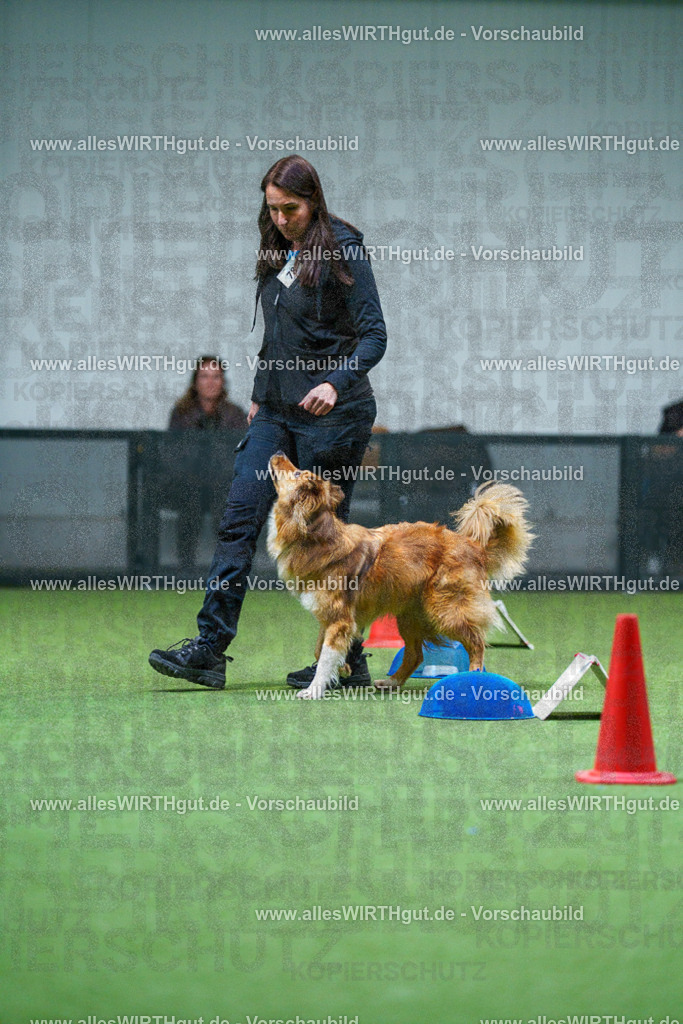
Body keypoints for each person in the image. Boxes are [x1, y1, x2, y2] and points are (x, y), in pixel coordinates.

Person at [149, 156, 387, 689]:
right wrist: (259, 396)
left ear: (314, 202)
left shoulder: (344, 248)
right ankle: (209, 648)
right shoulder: (277, 247)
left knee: (329, 541)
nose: (280, 219)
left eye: (291, 209)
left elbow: (375, 335)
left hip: (334, 415)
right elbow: (275, 335)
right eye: (272, 208)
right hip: (276, 413)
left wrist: (335, 382)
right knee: (239, 516)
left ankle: (346, 660)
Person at [162, 356, 248, 570]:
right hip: (188, 484)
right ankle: (186, 569)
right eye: (205, 376)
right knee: (190, 497)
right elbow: (172, 454)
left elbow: (242, 455)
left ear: (223, 381)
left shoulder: (235, 415)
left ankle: (230, 568)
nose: (210, 382)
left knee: (230, 499)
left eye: (216, 377)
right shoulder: (181, 414)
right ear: (195, 381)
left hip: (223, 484)